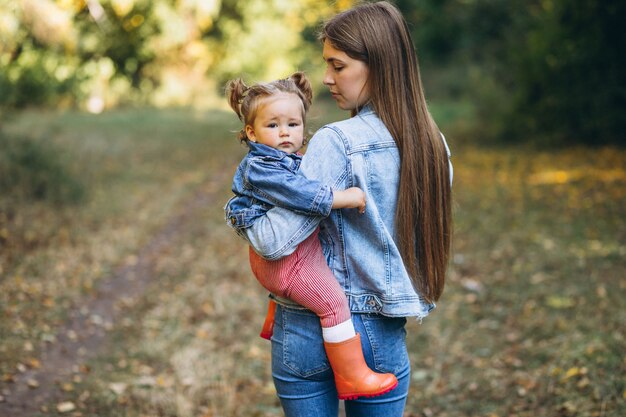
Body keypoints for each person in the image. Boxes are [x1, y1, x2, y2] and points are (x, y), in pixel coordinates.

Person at [240, 2, 453, 416]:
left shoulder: (337, 140)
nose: (326, 79)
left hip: (309, 329)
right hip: (384, 332)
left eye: (338, 66)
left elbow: (272, 241)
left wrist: (243, 206)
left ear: (378, 65)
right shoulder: (434, 143)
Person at [224, 72, 399, 400]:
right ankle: (352, 375)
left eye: (293, 124)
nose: (285, 132)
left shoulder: (285, 160)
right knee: (333, 304)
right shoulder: (262, 166)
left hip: (292, 257)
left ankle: (275, 317)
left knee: (319, 277)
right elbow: (302, 193)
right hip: (284, 262)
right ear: (251, 132)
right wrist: (348, 197)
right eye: (272, 125)